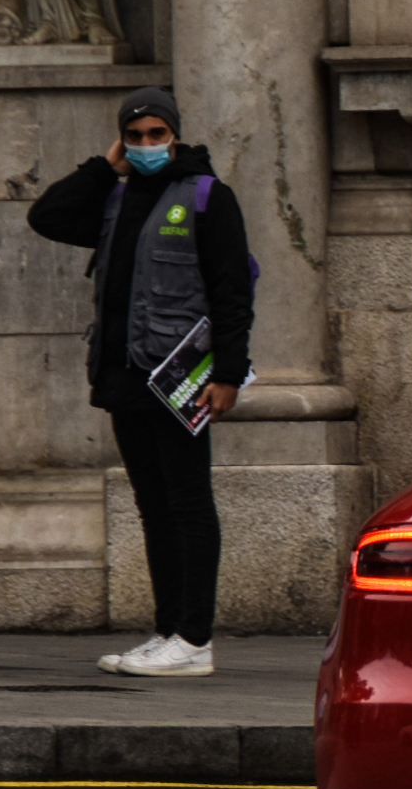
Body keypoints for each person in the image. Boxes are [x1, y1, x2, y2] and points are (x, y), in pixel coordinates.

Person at [27, 88, 252, 676]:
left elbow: (233, 293)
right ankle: (168, 630)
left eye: (157, 134)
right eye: (136, 136)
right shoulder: (114, 199)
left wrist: (228, 374)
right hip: (123, 374)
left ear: (174, 134)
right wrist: (105, 166)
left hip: (178, 376)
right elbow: (45, 215)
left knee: (188, 502)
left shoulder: (207, 197)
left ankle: (195, 638)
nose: (148, 146)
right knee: (153, 506)